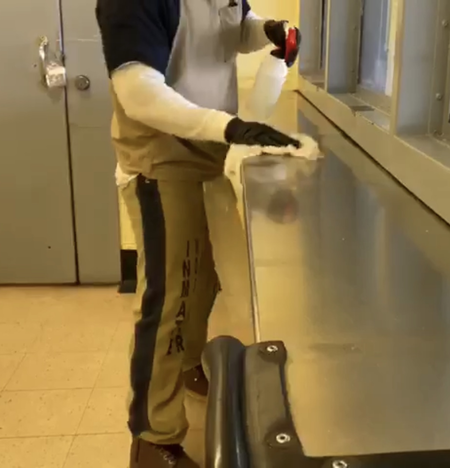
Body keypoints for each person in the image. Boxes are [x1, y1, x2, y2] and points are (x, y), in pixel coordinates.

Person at [95, 0, 301, 466]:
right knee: (171, 295)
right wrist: (228, 126)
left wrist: (264, 31)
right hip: (160, 157)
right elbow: (138, 91)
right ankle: (152, 435)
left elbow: (232, 29)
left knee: (203, 280)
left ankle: (187, 365)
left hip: (208, 151)